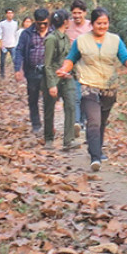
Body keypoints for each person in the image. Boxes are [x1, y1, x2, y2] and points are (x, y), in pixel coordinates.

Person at [56, 7, 127, 171]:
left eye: (105, 23)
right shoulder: (81, 41)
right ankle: (95, 157)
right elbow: (71, 59)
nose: (102, 26)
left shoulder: (115, 40)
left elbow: (125, 57)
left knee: (101, 122)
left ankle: (98, 149)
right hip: (88, 84)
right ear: (92, 24)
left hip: (109, 86)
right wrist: (64, 69)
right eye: (99, 23)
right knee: (93, 121)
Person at [43, 9, 80, 151]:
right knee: (49, 109)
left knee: (70, 106)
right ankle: (48, 139)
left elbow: (70, 59)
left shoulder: (66, 38)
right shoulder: (51, 39)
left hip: (67, 77)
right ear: (65, 22)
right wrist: (51, 85)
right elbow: (47, 64)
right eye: (68, 19)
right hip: (53, 77)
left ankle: (69, 140)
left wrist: (74, 74)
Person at [14, 8, 52, 135]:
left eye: (44, 23)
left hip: (48, 71)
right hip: (32, 71)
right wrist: (17, 68)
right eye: (39, 23)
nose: (42, 26)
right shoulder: (27, 33)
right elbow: (19, 50)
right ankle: (36, 124)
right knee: (33, 98)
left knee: (49, 99)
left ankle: (48, 126)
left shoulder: (54, 33)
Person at [66, 0, 93, 138]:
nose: (76, 16)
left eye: (79, 13)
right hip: (73, 65)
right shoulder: (67, 25)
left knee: (85, 95)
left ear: (84, 13)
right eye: (74, 13)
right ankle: (76, 122)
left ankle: (82, 120)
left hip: (88, 65)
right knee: (75, 94)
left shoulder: (90, 26)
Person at [0, 9, 19, 79]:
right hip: (4, 44)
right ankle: (2, 75)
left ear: (13, 14)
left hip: (13, 45)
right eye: (8, 13)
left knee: (15, 61)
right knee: (2, 61)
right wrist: (1, 43)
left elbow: (16, 34)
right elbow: (0, 34)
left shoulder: (15, 23)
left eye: (11, 13)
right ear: (6, 14)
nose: (10, 15)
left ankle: (16, 74)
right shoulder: (2, 23)